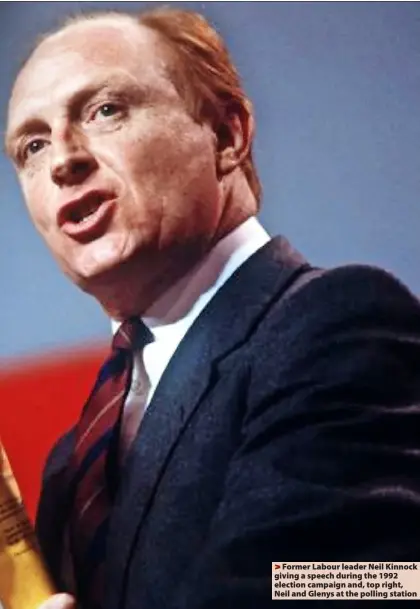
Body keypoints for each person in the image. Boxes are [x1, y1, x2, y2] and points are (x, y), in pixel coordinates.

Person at [5, 7, 420, 609]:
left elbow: (362, 583)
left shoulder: (338, 323)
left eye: (105, 111)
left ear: (227, 135)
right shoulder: (72, 464)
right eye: (32, 146)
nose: (63, 160)